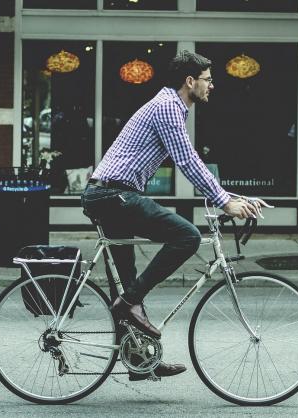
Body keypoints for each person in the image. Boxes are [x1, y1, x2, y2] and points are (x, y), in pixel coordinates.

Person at [81, 50, 262, 381]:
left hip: (111, 194)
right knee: (187, 236)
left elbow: (189, 161)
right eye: (208, 79)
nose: (212, 85)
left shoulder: (171, 106)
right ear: (190, 81)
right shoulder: (167, 108)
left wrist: (236, 198)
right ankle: (129, 305)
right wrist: (224, 202)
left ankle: (138, 359)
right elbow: (188, 161)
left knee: (127, 278)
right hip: (113, 195)